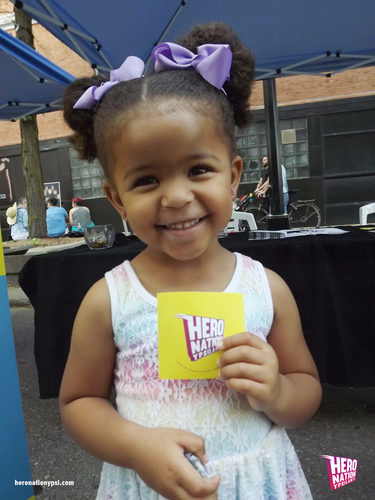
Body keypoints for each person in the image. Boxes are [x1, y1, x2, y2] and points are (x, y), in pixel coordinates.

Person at [60, 22, 322, 500]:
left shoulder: (267, 288)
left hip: (256, 481)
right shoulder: (109, 300)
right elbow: (79, 401)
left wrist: (279, 392)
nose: (178, 197)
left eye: (199, 170)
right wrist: (134, 445)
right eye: (146, 181)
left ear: (233, 176)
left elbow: (305, 388)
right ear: (116, 199)